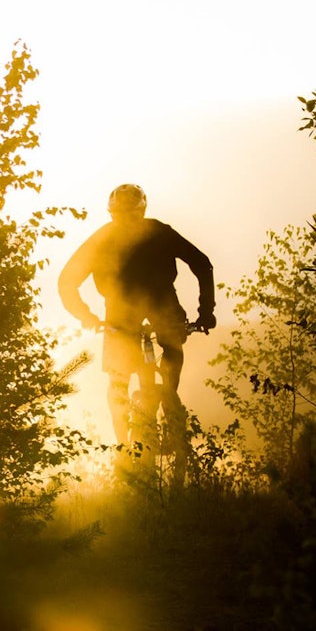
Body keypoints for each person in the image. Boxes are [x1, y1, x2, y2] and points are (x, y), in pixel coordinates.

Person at [57, 183, 215, 444]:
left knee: (124, 378)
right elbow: (202, 264)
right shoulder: (157, 233)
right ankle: (129, 440)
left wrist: (88, 318)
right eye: (120, 216)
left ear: (140, 212)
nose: (125, 221)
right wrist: (205, 313)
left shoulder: (112, 237)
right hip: (138, 309)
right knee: (126, 377)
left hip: (142, 308)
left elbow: (66, 282)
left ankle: (164, 405)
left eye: (129, 215)